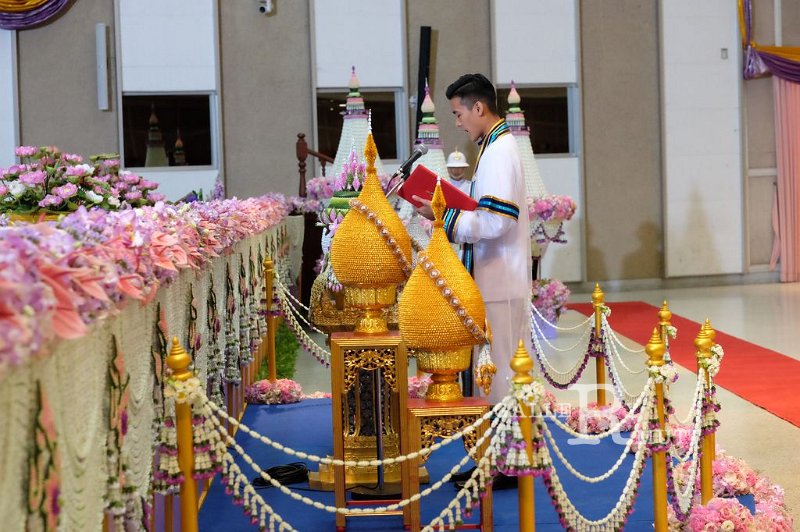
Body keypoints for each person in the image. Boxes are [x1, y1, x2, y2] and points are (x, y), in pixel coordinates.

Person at [414, 73, 532, 406]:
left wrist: (443, 215)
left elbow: (498, 220)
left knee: (498, 375)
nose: (458, 123)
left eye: (458, 114)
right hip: (497, 278)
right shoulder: (495, 146)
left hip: (498, 281)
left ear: (478, 108)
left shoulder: (498, 151)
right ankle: (500, 434)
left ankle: (502, 437)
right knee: (498, 371)